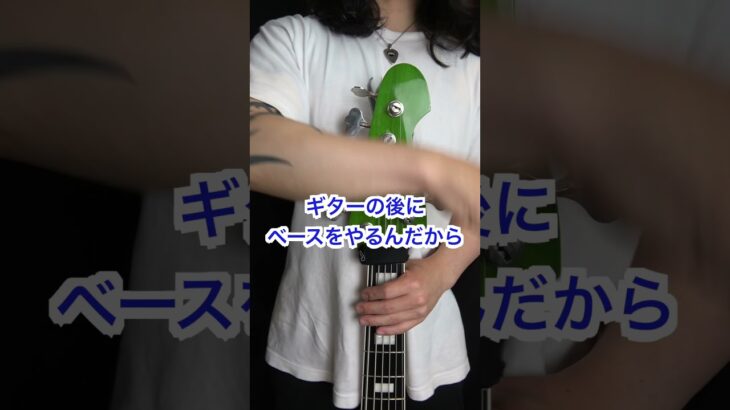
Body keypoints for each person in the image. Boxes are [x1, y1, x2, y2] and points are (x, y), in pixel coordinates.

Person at [249, 0, 480, 408]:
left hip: (432, 359)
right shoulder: (295, 38)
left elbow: (482, 206)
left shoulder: (474, 70)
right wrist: (422, 170)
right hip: (311, 350)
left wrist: (440, 273)